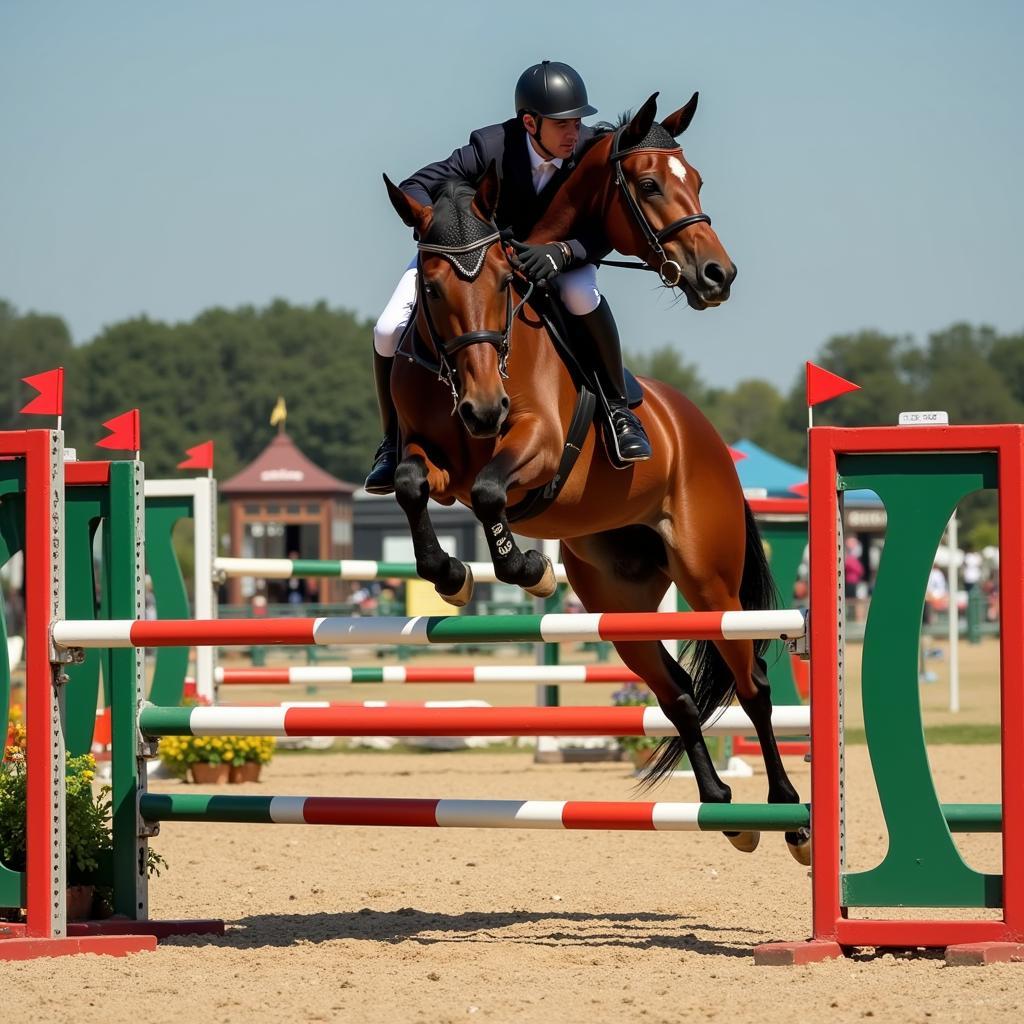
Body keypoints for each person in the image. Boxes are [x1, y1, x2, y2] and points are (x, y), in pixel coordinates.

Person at [365, 60, 652, 495]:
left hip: (563, 260)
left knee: (580, 295)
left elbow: (610, 222)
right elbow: (415, 185)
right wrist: (457, 234)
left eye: (577, 122)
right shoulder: (491, 147)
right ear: (530, 123)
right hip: (477, 265)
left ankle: (617, 408)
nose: (574, 132)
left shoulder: (591, 152)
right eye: (563, 124)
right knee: (387, 329)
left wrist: (564, 252)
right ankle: (391, 443)